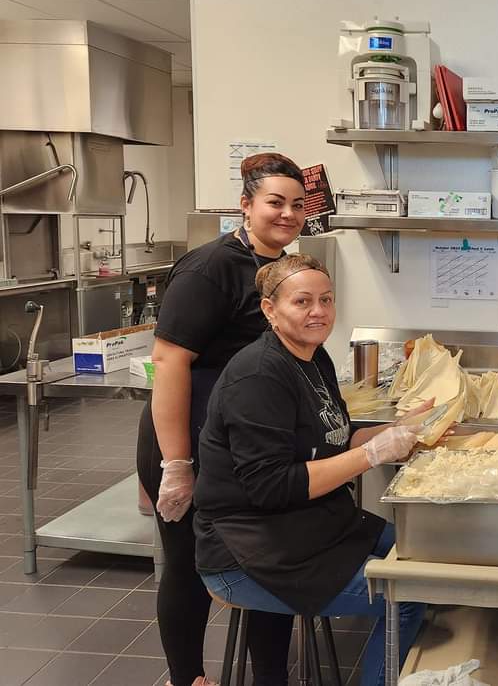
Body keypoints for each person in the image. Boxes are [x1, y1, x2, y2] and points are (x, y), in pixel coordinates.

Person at [194, 254, 427, 686]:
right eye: (302, 302)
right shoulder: (258, 376)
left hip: (315, 526)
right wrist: (374, 454)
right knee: (411, 594)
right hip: (251, 551)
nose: (318, 311)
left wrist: (398, 431)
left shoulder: (314, 358)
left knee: (429, 549)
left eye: (326, 299)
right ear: (270, 310)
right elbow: (271, 486)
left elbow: (335, 438)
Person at [135, 153, 306, 686]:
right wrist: (177, 463)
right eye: (274, 202)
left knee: (265, 562)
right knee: (187, 566)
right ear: (246, 205)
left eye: (297, 205)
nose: (287, 214)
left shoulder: (276, 267)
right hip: (188, 438)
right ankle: (188, 678)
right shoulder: (210, 268)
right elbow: (169, 361)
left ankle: (270, 678)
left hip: (242, 447)